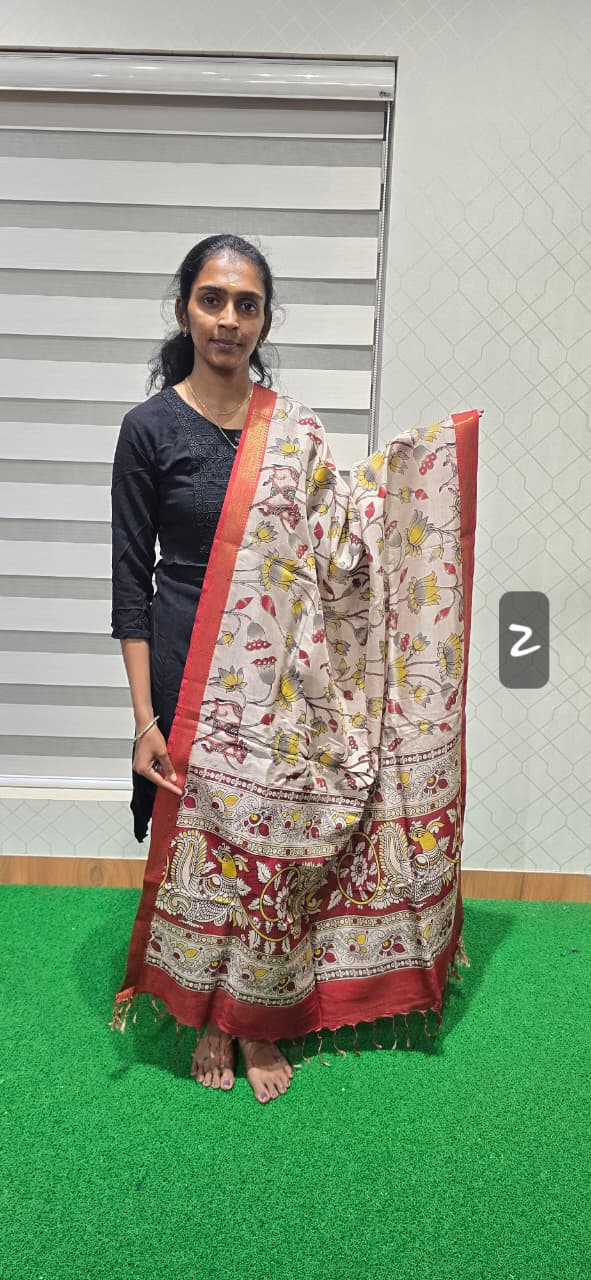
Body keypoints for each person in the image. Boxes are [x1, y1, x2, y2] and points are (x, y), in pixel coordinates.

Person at [110, 233, 479, 1105]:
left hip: (285, 672)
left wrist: (421, 471)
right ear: (184, 309)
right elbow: (129, 583)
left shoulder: (295, 429)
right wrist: (145, 719)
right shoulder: (149, 429)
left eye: (246, 305)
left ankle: (253, 1019)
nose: (227, 320)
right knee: (212, 849)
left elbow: (342, 543)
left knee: (271, 845)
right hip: (188, 667)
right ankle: (207, 1015)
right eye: (211, 300)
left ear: (264, 320)